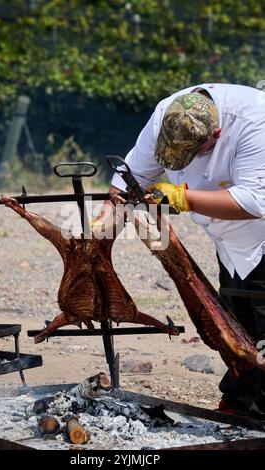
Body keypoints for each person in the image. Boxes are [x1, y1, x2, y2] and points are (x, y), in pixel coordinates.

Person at [93, 83, 265, 419]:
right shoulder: (166, 115)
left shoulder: (254, 122)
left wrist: (182, 198)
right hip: (229, 239)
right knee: (236, 326)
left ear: (216, 134)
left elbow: (254, 202)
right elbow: (132, 178)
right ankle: (240, 407)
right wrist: (98, 234)